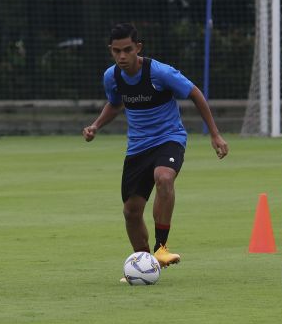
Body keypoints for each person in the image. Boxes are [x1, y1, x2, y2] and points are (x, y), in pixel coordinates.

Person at [83, 23, 228, 274]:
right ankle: (144, 265)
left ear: (138, 47)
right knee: (131, 211)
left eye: (127, 50)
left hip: (168, 138)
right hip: (138, 147)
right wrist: (96, 125)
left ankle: (161, 249)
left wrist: (215, 134)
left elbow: (195, 94)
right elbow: (115, 104)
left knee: (163, 177)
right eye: (116, 51)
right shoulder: (112, 77)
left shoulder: (160, 73)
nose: (122, 56)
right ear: (111, 51)